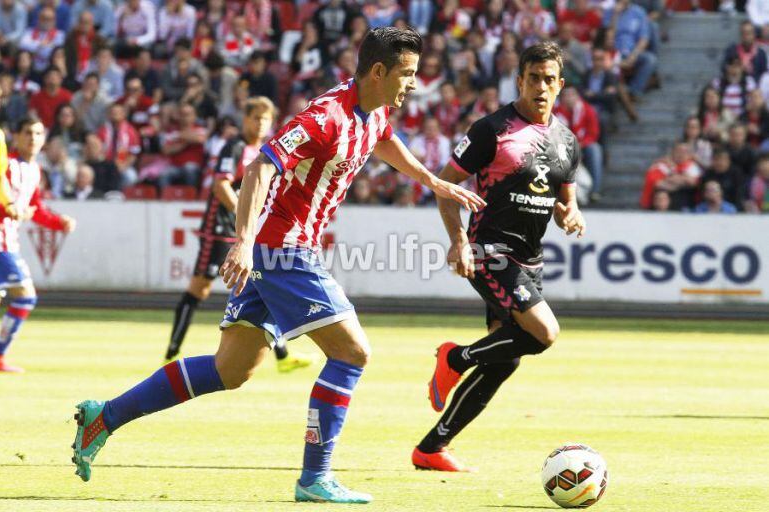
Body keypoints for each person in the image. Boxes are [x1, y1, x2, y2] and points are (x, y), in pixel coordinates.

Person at [70, 27, 484, 502]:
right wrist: (244, 243)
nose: (413, 83)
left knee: (231, 369)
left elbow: (383, 140)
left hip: (281, 249)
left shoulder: (374, 109)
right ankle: (315, 478)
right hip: (283, 248)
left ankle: (104, 416)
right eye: (407, 74)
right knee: (352, 353)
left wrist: (433, 181)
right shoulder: (326, 116)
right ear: (378, 71)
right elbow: (259, 167)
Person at [411, 41, 585, 472]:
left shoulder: (567, 140)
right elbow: (445, 186)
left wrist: (571, 212)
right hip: (490, 252)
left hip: (531, 260)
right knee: (545, 333)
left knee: (504, 358)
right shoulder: (491, 129)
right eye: (533, 79)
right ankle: (455, 358)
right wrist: (458, 241)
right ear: (519, 81)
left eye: (549, 80)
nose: (540, 87)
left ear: (560, 85)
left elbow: (565, 196)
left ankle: (432, 448)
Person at [164, 96, 312, 372]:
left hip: (248, 231)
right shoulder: (234, 147)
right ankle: (171, 353)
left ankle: (282, 356)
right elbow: (220, 185)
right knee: (199, 289)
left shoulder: (268, 151)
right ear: (245, 120)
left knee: (263, 283)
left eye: (265, 119)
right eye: (256, 118)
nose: (260, 124)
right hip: (220, 228)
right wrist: (243, 214)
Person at [0, 115, 76, 372]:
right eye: (27, 133)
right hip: (1, 241)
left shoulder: (34, 170)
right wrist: (11, 211)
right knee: (25, 294)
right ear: (16, 137)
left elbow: (36, 208)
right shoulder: (6, 165)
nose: (32, 138)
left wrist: (58, 222)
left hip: (9, 240)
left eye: (38, 134)